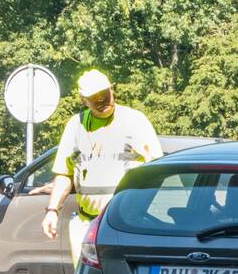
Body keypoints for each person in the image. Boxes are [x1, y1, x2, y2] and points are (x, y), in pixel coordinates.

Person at [42, 69, 163, 264]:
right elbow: (64, 174)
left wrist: (138, 211)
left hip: (125, 225)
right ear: (84, 100)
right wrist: (52, 210)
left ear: (112, 89)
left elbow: (158, 170)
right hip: (86, 225)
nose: (101, 101)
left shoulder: (135, 121)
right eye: (94, 97)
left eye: (104, 94)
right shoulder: (75, 126)